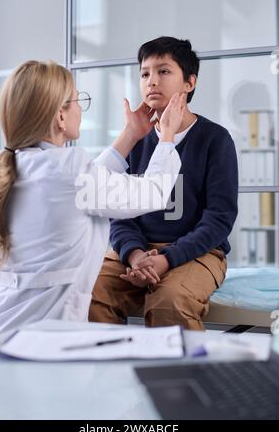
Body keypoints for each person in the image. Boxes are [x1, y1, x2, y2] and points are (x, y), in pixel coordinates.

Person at [0, 60, 183, 336]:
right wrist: (168, 134)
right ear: (60, 116)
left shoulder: (8, 167)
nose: (80, 109)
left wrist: (131, 134)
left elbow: (83, 189)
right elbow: (153, 192)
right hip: (34, 339)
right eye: (77, 100)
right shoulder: (68, 169)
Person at [89, 36, 238, 330]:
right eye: (145, 73)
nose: (151, 81)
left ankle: (181, 378)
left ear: (189, 82)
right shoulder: (135, 138)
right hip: (135, 251)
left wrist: (167, 258)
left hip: (199, 252)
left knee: (169, 301)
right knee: (87, 292)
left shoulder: (215, 139)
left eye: (163, 71)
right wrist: (134, 254)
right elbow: (116, 210)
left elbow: (219, 219)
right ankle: (109, 373)